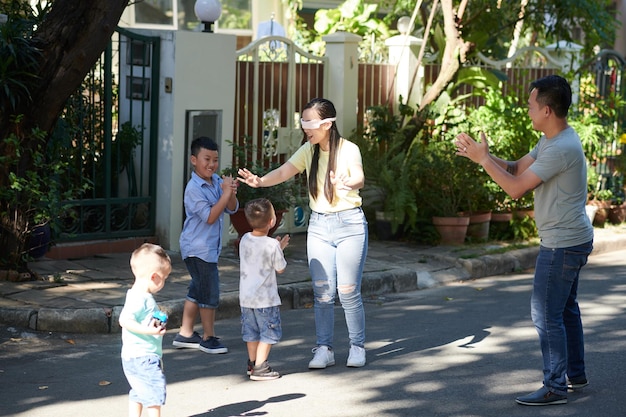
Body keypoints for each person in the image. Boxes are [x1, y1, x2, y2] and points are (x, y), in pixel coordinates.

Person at [456, 74, 594, 406]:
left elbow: (516, 189)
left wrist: (483, 161)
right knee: (565, 310)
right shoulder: (552, 140)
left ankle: (554, 386)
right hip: (572, 238)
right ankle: (574, 374)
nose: (527, 108)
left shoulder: (561, 147)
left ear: (547, 110)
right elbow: (517, 169)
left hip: (562, 243)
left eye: (531, 104)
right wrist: (487, 155)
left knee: (546, 314)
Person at [238, 97, 368, 369]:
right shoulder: (309, 150)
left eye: (310, 122)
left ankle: (357, 346)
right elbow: (285, 171)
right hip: (319, 226)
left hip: (349, 225)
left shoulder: (348, 149)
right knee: (322, 292)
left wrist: (346, 183)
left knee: (347, 291)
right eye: (303, 122)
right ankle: (324, 348)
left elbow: (359, 177)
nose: (305, 128)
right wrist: (260, 182)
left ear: (327, 123)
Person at [173, 136, 239, 354]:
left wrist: (230, 190)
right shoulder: (193, 188)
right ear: (194, 160)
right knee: (209, 293)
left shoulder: (216, 181)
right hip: (197, 249)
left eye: (215, 160)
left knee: (197, 289)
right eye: (206, 159)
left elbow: (232, 208)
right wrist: (226, 192)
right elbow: (210, 217)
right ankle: (208, 338)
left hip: (208, 249)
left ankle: (185, 333)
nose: (211, 164)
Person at [239, 198, 290, 380]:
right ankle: (261, 367)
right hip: (265, 299)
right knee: (268, 333)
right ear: (271, 221)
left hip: (246, 298)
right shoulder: (272, 245)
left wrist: (277, 247)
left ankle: (252, 364)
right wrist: (280, 248)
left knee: (251, 333)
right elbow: (280, 268)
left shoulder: (244, 239)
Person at [119, 243, 172, 417]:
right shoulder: (139, 298)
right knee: (154, 395)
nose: (163, 282)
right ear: (154, 276)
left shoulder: (139, 295)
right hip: (143, 357)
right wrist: (150, 331)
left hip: (134, 356)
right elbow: (124, 320)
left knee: (139, 391)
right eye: (164, 278)